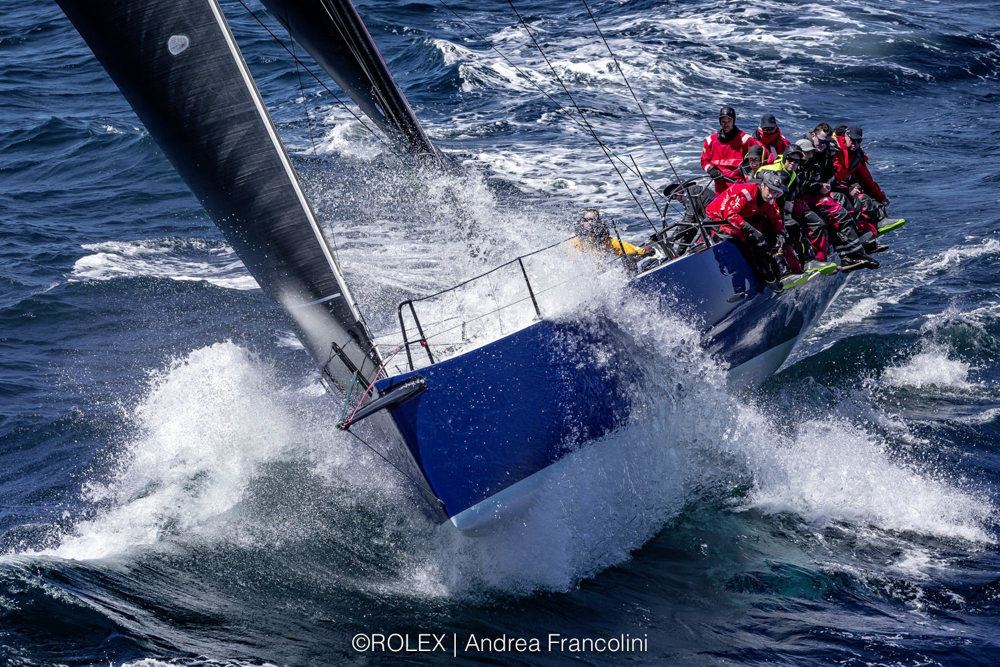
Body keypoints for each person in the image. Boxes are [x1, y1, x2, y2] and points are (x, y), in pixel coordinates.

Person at [795, 135, 879, 269]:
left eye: (811, 152)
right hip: (801, 201)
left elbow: (829, 180)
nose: (811, 154)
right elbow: (801, 186)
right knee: (833, 215)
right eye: (807, 152)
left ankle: (852, 252)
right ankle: (851, 253)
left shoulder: (815, 163)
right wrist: (820, 186)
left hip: (812, 197)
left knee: (845, 209)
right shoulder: (797, 165)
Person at [705, 170, 792, 285]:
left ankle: (781, 271)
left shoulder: (769, 200)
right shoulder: (746, 193)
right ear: (762, 185)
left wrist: (780, 233)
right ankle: (755, 279)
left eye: (776, 193)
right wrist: (753, 231)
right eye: (770, 191)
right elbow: (731, 214)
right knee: (747, 242)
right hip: (719, 218)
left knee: (770, 235)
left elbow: (776, 218)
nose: (772, 195)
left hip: (743, 216)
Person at [831, 126, 893, 251]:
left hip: (841, 186)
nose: (855, 144)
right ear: (845, 136)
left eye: (858, 141)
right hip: (829, 187)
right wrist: (846, 190)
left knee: (867, 199)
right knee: (856, 203)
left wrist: (881, 197)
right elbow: (830, 176)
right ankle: (856, 240)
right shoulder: (835, 148)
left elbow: (866, 179)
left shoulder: (856, 155)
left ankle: (869, 239)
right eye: (852, 140)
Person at [700, 106, 752, 194]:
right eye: (723, 121)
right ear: (720, 122)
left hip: (739, 185)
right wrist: (711, 170)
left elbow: (762, 154)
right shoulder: (710, 141)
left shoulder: (745, 139)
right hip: (720, 186)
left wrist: (748, 168)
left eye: (729, 121)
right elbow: (704, 161)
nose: (726, 124)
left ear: (733, 121)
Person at [574, 208, 655, 259]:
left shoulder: (602, 240)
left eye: (594, 220)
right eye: (587, 220)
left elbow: (622, 247)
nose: (591, 223)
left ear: (599, 222)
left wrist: (643, 251)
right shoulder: (575, 240)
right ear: (582, 222)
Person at [663, 180, 716, 255]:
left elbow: (689, 219)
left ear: (679, 190)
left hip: (716, 221)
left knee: (701, 247)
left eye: (674, 196)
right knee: (696, 248)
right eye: (673, 198)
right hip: (711, 221)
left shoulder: (689, 192)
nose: (676, 199)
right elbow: (691, 228)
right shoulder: (691, 194)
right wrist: (679, 253)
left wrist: (674, 236)